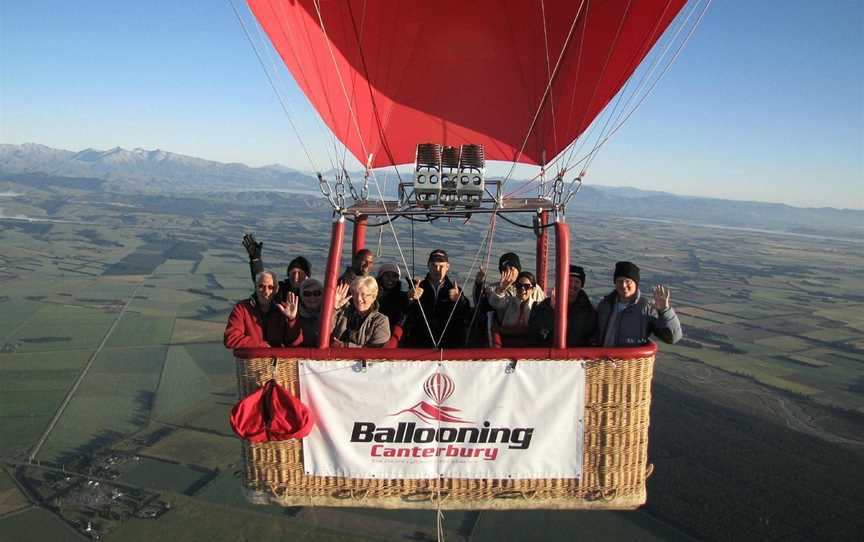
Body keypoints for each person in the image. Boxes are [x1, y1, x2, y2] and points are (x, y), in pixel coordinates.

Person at [593, 261, 682, 347]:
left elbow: (672, 338)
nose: (623, 285)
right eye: (620, 281)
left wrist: (665, 310)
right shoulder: (605, 305)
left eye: (628, 281)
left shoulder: (646, 308)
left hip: (632, 361)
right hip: (603, 361)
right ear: (615, 283)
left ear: (636, 283)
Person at [403, 249, 470, 348]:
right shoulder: (417, 288)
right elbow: (404, 311)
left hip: (448, 342)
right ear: (428, 266)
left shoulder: (455, 290)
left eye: (441, 266)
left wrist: (460, 300)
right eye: (434, 265)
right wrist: (409, 298)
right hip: (420, 340)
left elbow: (466, 314)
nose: (437, 269)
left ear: (447, 267)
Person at [224, 270, 302, 349]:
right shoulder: (242, 308)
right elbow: (231, 338)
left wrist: (292, 320)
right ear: (256, 287)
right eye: (261, 286)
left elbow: (295, 343)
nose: (266, 291)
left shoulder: (283, 310)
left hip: (278, 360)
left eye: (270, 287)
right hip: (251, 360)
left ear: (276, 290)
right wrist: (263, 346)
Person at [531, 265, 597, 347]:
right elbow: (537, 331)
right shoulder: (546, 305)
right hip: (549, 354)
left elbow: (591, 336)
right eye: (569, 280)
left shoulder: (588, 310)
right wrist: (552, 310)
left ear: (581, 285)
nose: (572, 285)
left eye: (577, 282)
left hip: (576, 357)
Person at [242, 233, 310, 300]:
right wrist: (255, 259)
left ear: (307, 276)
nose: (296, 277)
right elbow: (262, 281)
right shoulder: (280, 290)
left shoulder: (315, 293)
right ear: (288, 274)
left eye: (300, 273)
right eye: (293, 273)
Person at [487, 270, 545, 345]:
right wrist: (501, 289)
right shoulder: (509, 301)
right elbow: (494, 302)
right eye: (519, 286)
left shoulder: (537, 307)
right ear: (515, 287)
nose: (523, 289)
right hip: (507, 341)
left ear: (533, 289)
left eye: (527, 287)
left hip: (529, 344)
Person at [330, 276, 391, 348]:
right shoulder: (342, 313)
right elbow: (321, 332)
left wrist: (344, 346)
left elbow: (376, 352)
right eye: (355, 294)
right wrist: (332, 309)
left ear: (373, 297)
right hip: (335, 357)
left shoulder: (380, 321)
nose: (359, 299)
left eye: (363, 294)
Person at [376, 263, 409, 331]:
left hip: (394, 332)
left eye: (394, 276)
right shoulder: (371, 294)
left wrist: (412, 297)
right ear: (381, 277)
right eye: (387, 275)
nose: (390, 279)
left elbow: (406, 313)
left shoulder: (403, 296)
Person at [297, 278, 323, 347]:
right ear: (301, 297)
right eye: (307, 294)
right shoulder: (294, 314)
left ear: (322, 295)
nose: (312, 297)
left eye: (316, 293)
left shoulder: (329, 314)